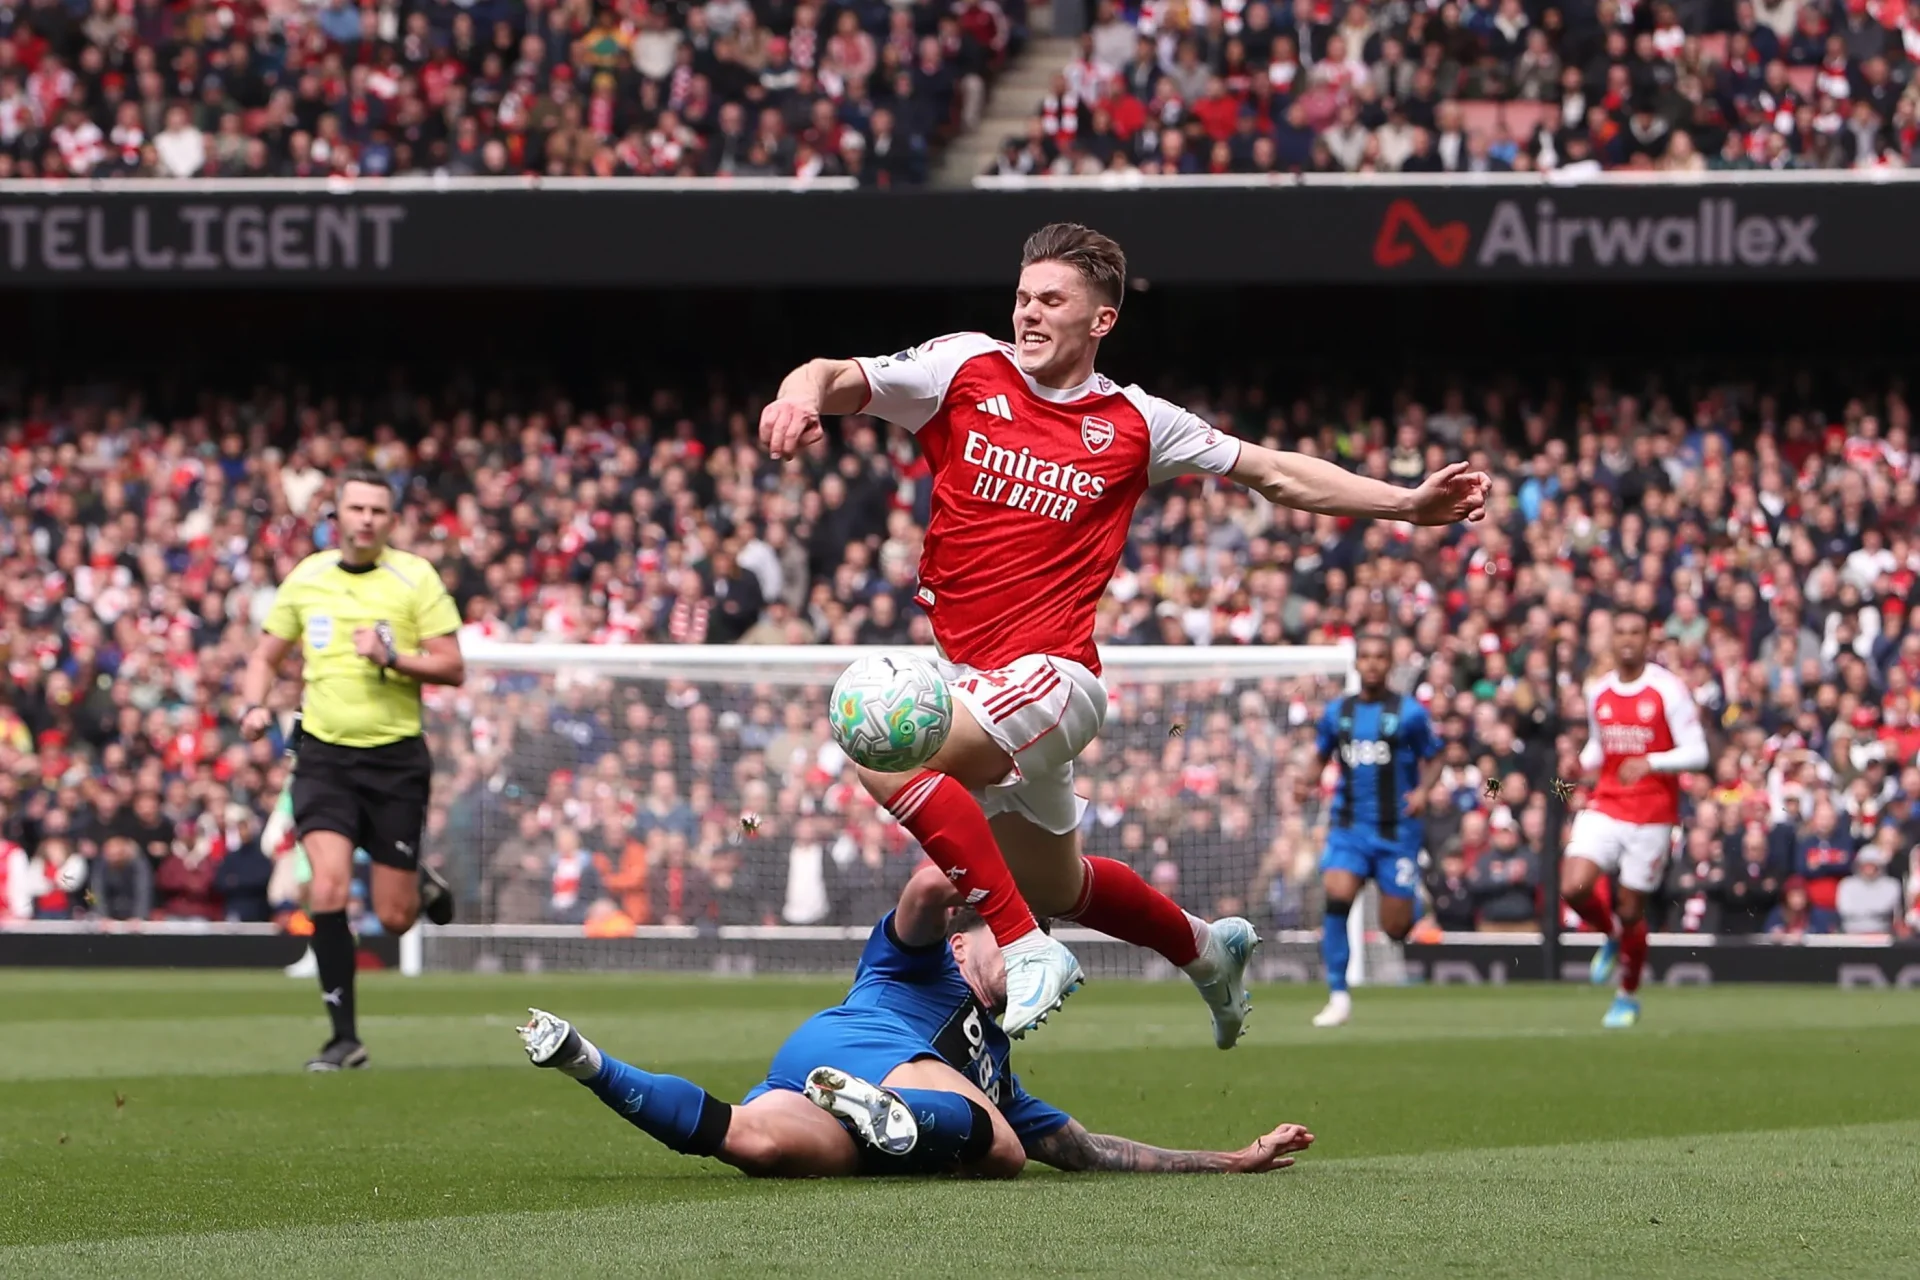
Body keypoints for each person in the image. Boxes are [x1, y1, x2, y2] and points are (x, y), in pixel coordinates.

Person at [756, 222, 1490, 1040]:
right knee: (1062, 883)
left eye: (1052, 301)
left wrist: (1404, 504)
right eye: (1023, 298)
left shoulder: (1138, 423)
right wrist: (797, 397)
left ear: (1101, 320)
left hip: (1054, 677)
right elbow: (829, 372)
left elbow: (1274, 471)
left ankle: (1024, 946)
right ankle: (1208, 950)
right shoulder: (963, 366)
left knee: (879, 739)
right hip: (971, 680)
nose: (1029, 314)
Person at [518, 864, 1314, 1178]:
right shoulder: (920, 959)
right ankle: (893, 1112)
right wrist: (1012, 864)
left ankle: (585, 1059)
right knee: (997, 1148)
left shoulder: (997, 1063)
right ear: (972, 939)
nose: (1036, 963)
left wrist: (1230, 1160)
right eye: (1023, 944)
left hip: (816, 1081)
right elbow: (929, 885)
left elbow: (1086, 1150)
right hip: (861, 1044)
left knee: (753, 1144)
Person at [238, 464, 466, 1071]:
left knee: (393, 918)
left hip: (395, 761)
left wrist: (392, 657)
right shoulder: (307, 577)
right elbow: (266, 654)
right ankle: (344, 1039)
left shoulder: (413, 578)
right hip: (323, 757)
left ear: (391, 520)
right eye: (355, 508)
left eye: (377, 510)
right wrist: (256, 703)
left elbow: (452, 665)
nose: (365, 519)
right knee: (328, 888)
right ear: (335, 515)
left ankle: (419, 883)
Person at [1563, 609, 1708, 1029]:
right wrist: (1579, 764)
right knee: (1574, 885)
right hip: (1607, 802)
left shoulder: (1668, 689)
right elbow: (1599, 745)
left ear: (1648, 640)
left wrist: (1653, 762)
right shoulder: (1599, 690)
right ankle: (1609, 934)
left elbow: (1698, 753)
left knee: (1631, 909)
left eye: (1635, 632)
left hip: (1652, 815)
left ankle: (1627, 995)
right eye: (1620, 631)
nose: (1627, 639)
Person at [1298, 632, 1444, 1027]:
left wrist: (1423, 791)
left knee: (1395, 929)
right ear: (1357, 664)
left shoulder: (1410, 713)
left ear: (1389, 664)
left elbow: (1435, 756)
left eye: (1382, 657)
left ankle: (1418, 904)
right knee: (1337, 894)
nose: (1374, 664)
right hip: (1349, 827)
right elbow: (1320, 755)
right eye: (1368, 657)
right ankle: (1338, 993)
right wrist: (1304, 781)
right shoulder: (1337, 713)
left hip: (1397, 832)